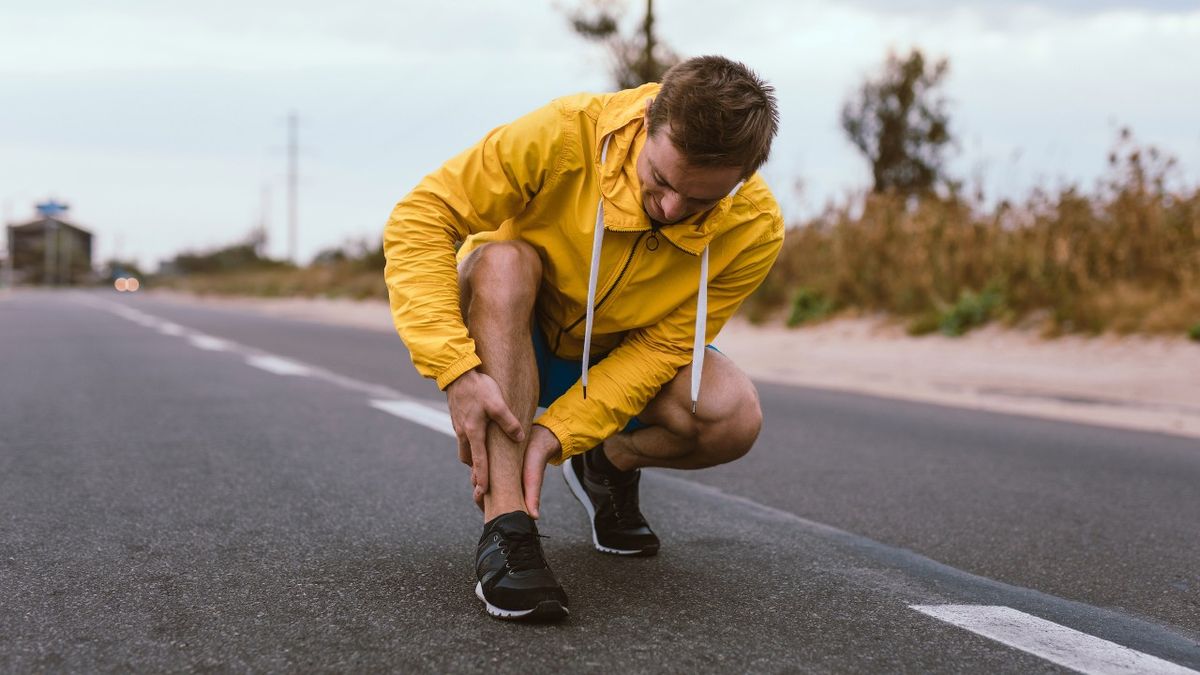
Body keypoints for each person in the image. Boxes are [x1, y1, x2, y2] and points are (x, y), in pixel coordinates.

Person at [383, 55, 782, 621]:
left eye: (700, 201)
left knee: (731, 414)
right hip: (512, 325)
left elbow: (664, 348)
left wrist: (560, 434)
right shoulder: (566, 132)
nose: (671, 209)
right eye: (662, 181)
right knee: (502, 261)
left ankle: (605, 463)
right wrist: (454, 368)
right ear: (648, 121)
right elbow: (422, 216)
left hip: (616, 353)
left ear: (741, 179)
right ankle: (507, 529)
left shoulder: (755, 229)